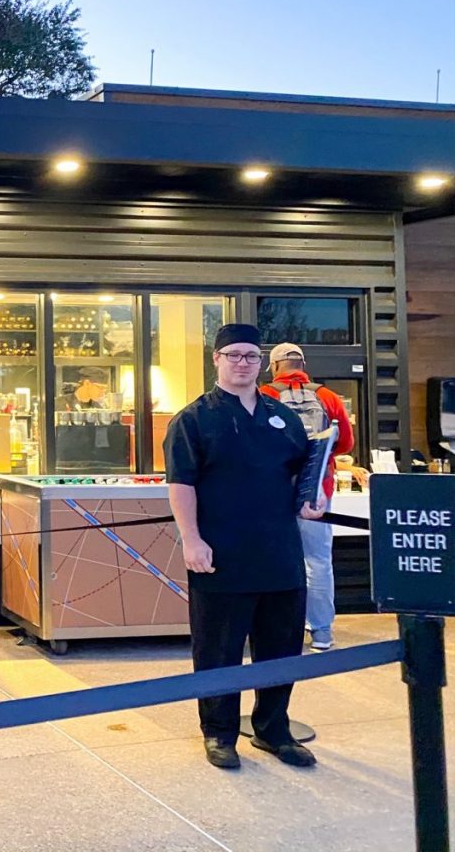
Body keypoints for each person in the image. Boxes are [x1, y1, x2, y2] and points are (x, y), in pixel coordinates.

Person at [164, 323, 322, 771]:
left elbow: (300, 475)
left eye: (251, 356)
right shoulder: (193, 420)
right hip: (220, 555)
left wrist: (313, 499)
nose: (242, 363)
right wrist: (191, 540)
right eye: (232, 355)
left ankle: (273, 731)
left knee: (282, 648)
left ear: (262, 362)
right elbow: (181, 485)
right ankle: (219, 733)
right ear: (216, 360)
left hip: (279, 554)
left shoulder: (282, 418)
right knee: (219, 649)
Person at [261, 342, 355, 652]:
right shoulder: (327, 396)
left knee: (276, 561)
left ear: (275, 366)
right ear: (303, 363)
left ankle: (281, 631)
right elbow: (345, 445)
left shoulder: (265, 395)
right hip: (317, 495)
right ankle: (322, 633)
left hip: (275, 495)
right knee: (318, 562)